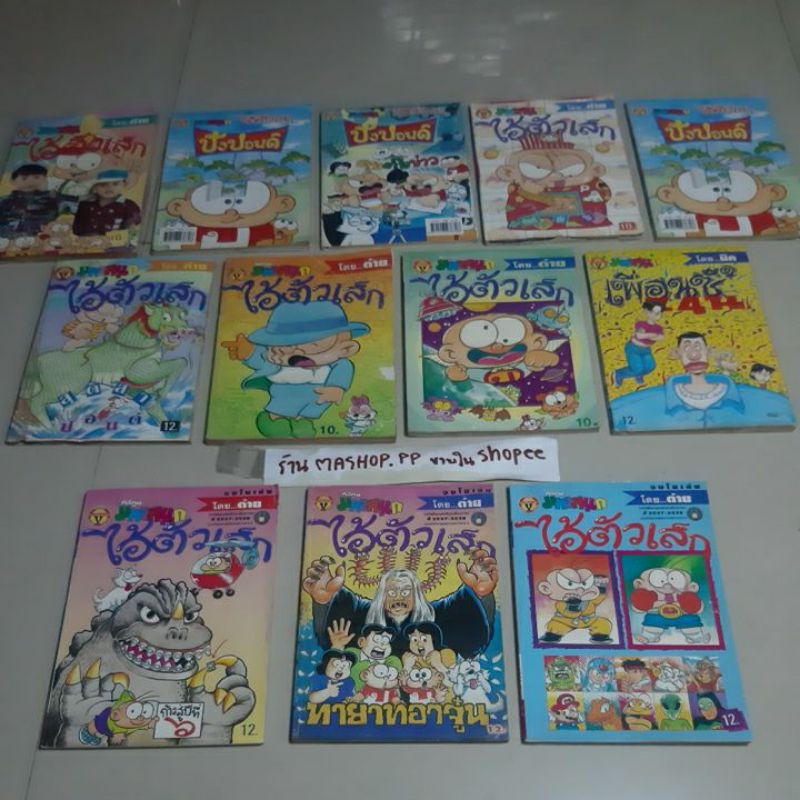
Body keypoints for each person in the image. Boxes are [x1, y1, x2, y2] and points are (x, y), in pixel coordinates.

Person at [302, 550, 498, 659]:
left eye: (405, 592)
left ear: (416, 594)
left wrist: (480, 594)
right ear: (382, 595)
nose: (399, 598)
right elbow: (330, 642)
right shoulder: (362, 615)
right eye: (392, 592)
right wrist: (325, 601)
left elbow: (473, 637)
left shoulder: (437, 617)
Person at [221, 300, 369, 439]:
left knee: (312, 409)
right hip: (284, 392)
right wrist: (249, 353)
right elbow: (262, 360)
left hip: (317, 396)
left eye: (313, 346)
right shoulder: (277, 363)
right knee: (281, 407)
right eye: (285, 346)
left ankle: (302, 421)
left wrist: (336, 388)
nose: (296, 355)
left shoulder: (337, 364)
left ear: (345, 349)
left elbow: (343, 369)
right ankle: (272, 420)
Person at [72, 170, 141, 236]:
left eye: (115, 184)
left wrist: (131, 231)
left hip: (115, 242)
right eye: (103, 184)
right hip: (85, 242)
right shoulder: (84, 205)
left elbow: (132, 224)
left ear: (124, 185)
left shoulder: (128, 205)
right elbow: (76, 225)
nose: (109, 188)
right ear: (94, 187)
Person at [613, 301, 665, 387]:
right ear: (646, 311)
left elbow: (661, 337)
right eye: (653, 312)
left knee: (650, 366)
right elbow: (640, 336)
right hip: (633, 348)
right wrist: (653, 335)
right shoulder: (641, 324)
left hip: (646, 350)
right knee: (638, 368)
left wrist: (648, 335)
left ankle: (638, 374)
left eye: (659, 313)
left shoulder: (658, 328)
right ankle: (619, 374)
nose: (656, 315)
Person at [0, 163, 61, 236]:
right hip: (10, 239)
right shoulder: (4, 201)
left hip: (48, 238)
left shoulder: (53, 198)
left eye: (36, 177)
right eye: (24, 178)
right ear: (13, 181)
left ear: (45, 179)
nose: (30, 182)